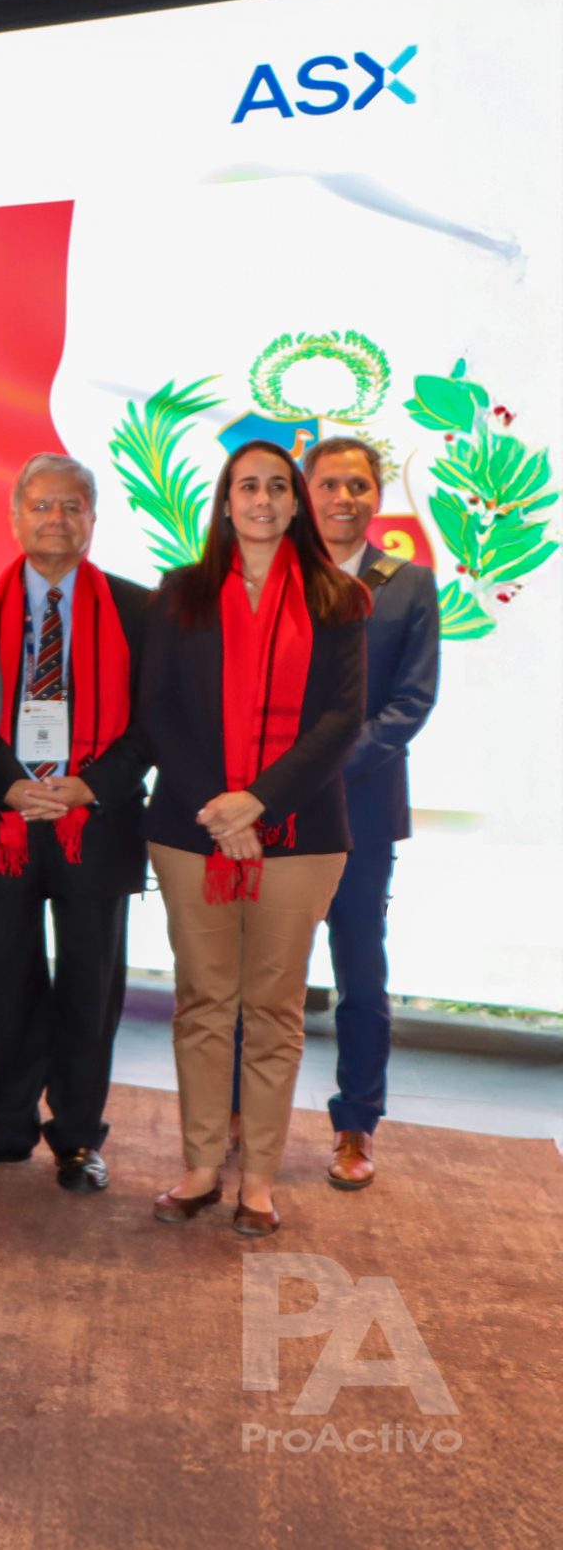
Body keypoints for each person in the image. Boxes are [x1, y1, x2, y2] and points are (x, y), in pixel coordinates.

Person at [143, 440, 367, 1238]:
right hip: (193, 828)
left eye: (277, 486)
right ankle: (202, 1167)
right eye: (248, 486)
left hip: (301, 833)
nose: (263, 499)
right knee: (204, 1003)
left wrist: (259, 803)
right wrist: (222, 808)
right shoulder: (181, 592)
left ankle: (260, 1180)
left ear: (296, 501)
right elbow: (156, 708)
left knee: (273, 1009)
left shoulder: (339, 596)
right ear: (225, 500)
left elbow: (342, 718)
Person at [0, 455, 153, 1195]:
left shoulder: (138, 609)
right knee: (4, 977)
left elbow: (154, 723)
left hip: (96, 820)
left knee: (91, 983)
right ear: (15, 517)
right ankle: (2, 1124)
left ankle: (79, 1135)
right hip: (7, 822)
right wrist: (8, 786)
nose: (56, 518)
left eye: (72, 506)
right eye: (41, 505)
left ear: (92, 518)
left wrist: (90, 785)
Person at [302, 435, 439, 1193]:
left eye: (357, 485)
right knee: (262, 971)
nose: (343, 498)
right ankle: (238, 1113)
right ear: (307, 492)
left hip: (361, 808)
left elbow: (411, 702)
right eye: (329, 484)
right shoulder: (275, 572)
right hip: (275, 810)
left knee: (360, 971)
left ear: (376, 496)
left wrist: (321, 765)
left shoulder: (409, 584)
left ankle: (356, 1124)